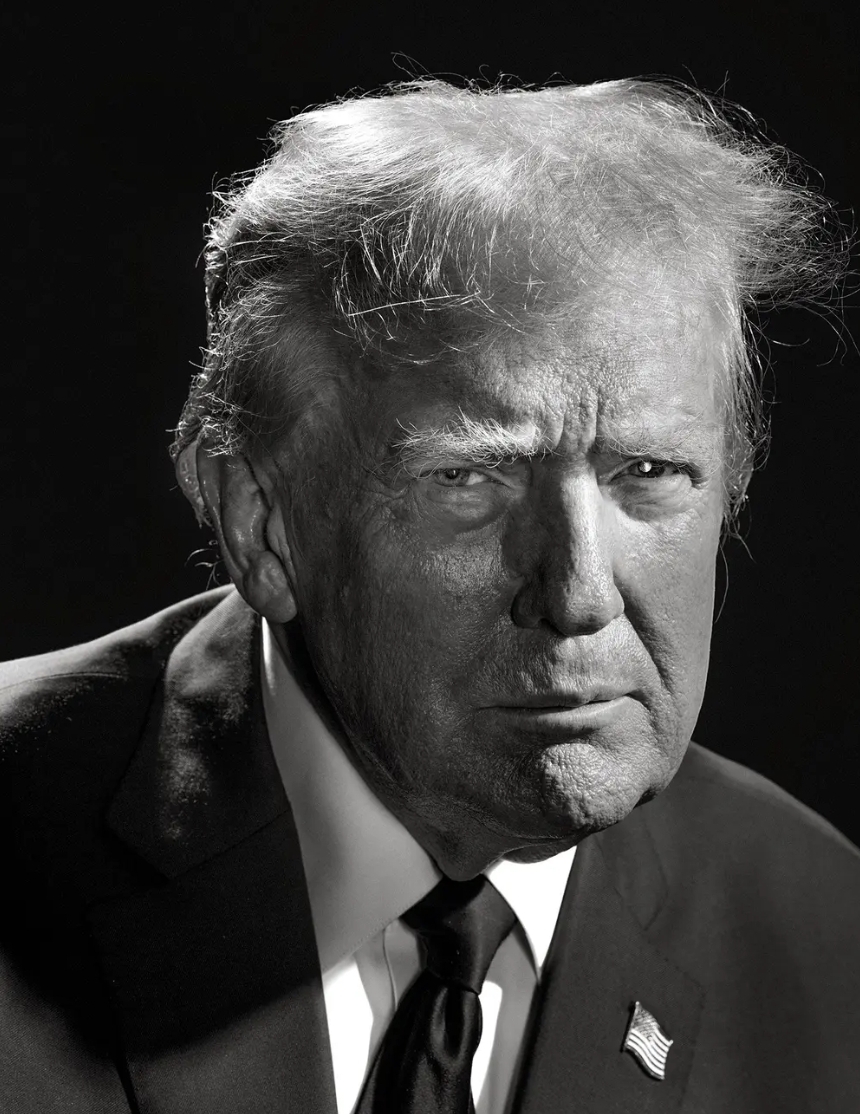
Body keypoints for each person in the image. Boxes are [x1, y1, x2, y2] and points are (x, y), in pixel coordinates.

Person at [1, 78, 858, 1114]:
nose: (579, 595)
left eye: (648, 474)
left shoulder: (823, 933)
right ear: (260, 521)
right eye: (468, 479)